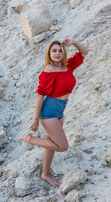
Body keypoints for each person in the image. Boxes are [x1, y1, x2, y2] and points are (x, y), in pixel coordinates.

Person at [19, 38, 88, 187]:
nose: (57, 53)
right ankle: (29, 139)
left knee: (51, 144)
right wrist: (36, 120)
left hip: (60, 109)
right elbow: (40, 96)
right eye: (54, 51)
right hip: (49, 111)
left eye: (59, 50)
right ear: (49, 54)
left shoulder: (67, 65)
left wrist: (74, 42)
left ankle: (45, 174)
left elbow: (84, 52)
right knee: (62, 146)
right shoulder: (48, 71)